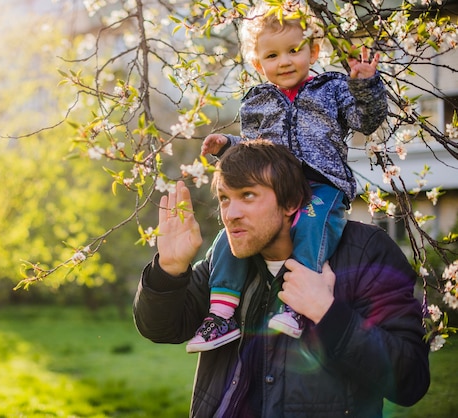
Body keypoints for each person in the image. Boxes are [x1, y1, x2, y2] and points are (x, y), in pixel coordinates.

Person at [133, 140, 430, 417]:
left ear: (291, 203)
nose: (231, 214)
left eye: (247, 195)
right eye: (224, 198)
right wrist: (169, 270)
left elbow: (410, 380)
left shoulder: (365, 251)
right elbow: (161, 329)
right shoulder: (225, 260)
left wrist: (327, 312)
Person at [189, 4, 387, 351]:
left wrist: (365, 86)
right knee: (232, 234)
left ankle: (296, 306)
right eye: (272, 55)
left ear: (313, 51)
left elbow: (365, 121)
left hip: (321, 184)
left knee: (311, 226)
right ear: (258, 64)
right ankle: (221, 315)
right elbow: (254, 148)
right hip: (276, 187)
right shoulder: (257, 101)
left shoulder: (332, 88)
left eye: (294, 51)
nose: (284, 61)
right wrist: (228, 146)